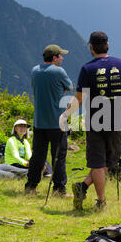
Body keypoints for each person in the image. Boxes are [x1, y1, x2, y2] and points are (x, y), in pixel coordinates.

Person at [59, 31, 121, 210]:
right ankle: (85, 189)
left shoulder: (87, 69)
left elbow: (78, 99)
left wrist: (64, 116)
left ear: (91, 47)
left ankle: (98, 199)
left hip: (95, 121)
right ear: (107, 45)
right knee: (111, 160)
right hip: (116, 120)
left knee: (98, 162)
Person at [24, 44, 73, 195]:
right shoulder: (59, 71)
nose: (62, 58)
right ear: (54, 58)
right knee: (58, 157)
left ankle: (31, 186)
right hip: (57, 123)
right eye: (60, 56)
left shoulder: (34, 70)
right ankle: (58, 190)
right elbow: (69, 87)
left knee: (37, 156)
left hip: (39, 122)